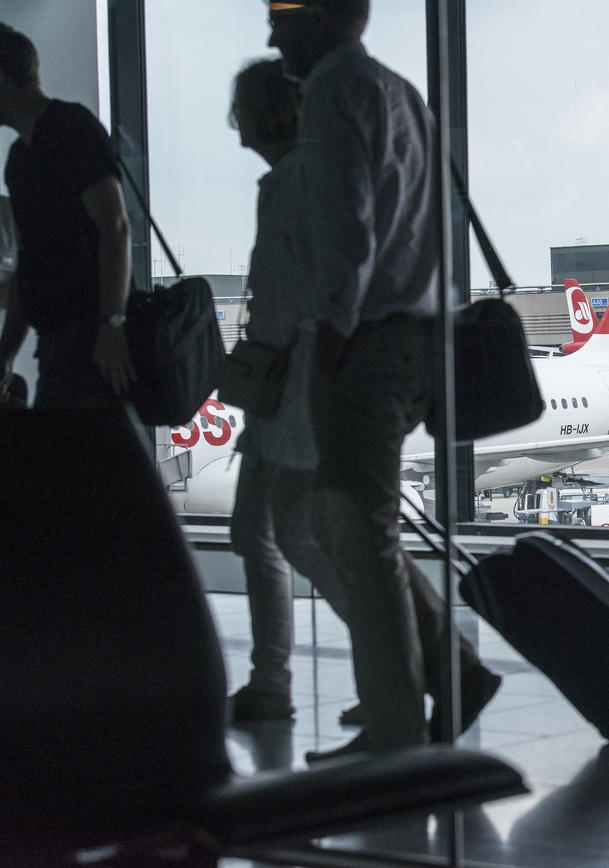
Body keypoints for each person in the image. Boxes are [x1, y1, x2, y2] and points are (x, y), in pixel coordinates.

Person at [267, 0, 500, 755]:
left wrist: (331, 336)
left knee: (352, 534)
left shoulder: (334, 93)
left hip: (364, 342)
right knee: (367, 530)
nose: (272, 34)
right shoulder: (402, 91)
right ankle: (455, 674)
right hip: (417, 338)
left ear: (329, 19)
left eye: (283, 14)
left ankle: (398, 725)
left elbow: (349, 231)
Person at [225, 58, 353, 724]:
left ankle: (388, 654)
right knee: (258, 532)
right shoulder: (283, 183)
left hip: (292, 385)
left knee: (290, 536)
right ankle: (270, 682)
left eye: (240, 110)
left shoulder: (297, 184)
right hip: (278, 385)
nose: (234, 123)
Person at [0, 22, 134, 408]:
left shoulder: (69, 129)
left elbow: (116, 227)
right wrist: (7, 353)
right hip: (65, 346)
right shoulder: (20, 159)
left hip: (91, 347)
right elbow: (30, 264)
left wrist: (112, 326)